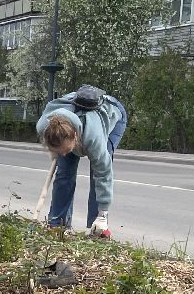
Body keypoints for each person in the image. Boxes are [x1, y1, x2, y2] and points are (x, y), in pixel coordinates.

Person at [35, 86, 127, 237]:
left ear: (76, 138)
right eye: (59, 150)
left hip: (111, 112)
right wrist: (56, 152)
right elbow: (58, 146)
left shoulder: (93, 137)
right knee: (64, 173)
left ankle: (97, 228)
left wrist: (102, 214)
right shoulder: (44, 127)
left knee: (96, 173)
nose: (63, 153)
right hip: (73, 105)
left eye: (65, 149)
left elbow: (103, 175)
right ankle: (58, 224)